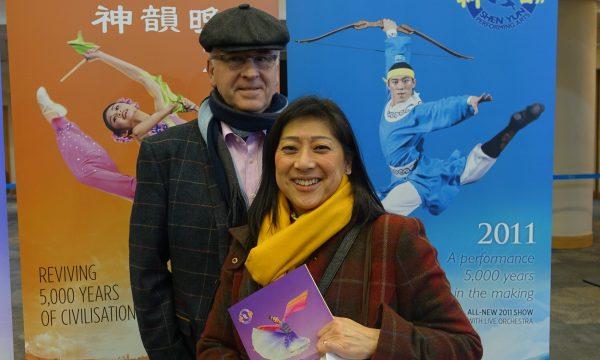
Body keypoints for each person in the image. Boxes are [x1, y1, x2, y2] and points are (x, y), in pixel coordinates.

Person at [197, 97, 483, 359]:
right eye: (289, 149)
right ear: (273, 162)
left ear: (348, 162)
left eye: (321, 148)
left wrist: (377, 341)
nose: (304, 163)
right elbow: (213, 346)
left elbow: (463, 345)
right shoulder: (250, 241)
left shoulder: (392, 236)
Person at [129, 4, 289, 359]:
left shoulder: (309, 147)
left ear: (277, 67)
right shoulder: (165, 152)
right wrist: (169, 352)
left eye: (264, 60)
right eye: (235, 61)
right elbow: (147, 270)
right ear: (211, 70)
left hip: (297, 336)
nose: (251, 73)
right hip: (200, 343)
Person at [378, 19, 544, 216]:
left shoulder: (414, 113)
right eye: (395, 82)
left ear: (414, 82)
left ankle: (512, 128)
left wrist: (467, 102)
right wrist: (391, 33)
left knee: (384, 213)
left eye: (406, 81)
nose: (401, 86)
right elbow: (395, 60)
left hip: (416, 179)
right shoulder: (392, 98)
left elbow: (438, 110)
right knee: (462, 172)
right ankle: (511, 129)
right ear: (388, 84)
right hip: (403, 174)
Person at [35, 48, 197, 200]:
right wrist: (169, 109)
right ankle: (58, 121)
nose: (118, 112)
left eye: (117, 107)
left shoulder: (163, 112)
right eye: (115, 118)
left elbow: (142, 77)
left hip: (200, 174)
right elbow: (143, 130)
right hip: (167, 190)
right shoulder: (143, 133)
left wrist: (101, 56)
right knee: (85, 173)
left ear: (130, 103)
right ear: (124, 133)